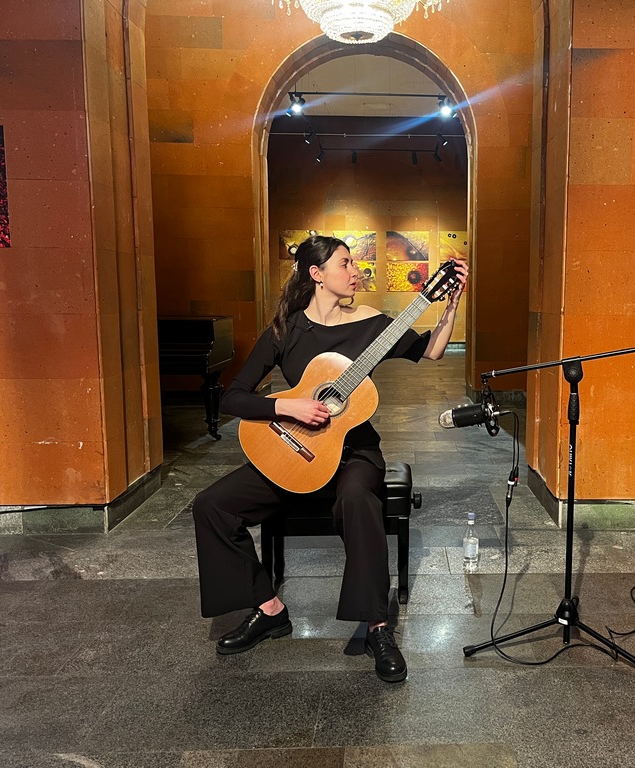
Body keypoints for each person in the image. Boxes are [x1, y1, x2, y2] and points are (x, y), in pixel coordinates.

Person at [192, 235, 467, 683]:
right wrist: (289, 407)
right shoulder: (285, 331)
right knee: (212, 505)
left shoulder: (374, 324)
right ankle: (269, 609)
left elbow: (430, 350)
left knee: (357, 499)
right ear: (316, 274)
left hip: (355, 452)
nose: (356, 271)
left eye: (354, 263)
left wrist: (449, 307)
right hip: (295, 449)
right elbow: (233, 397)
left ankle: (377, 627)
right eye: (345, 263)